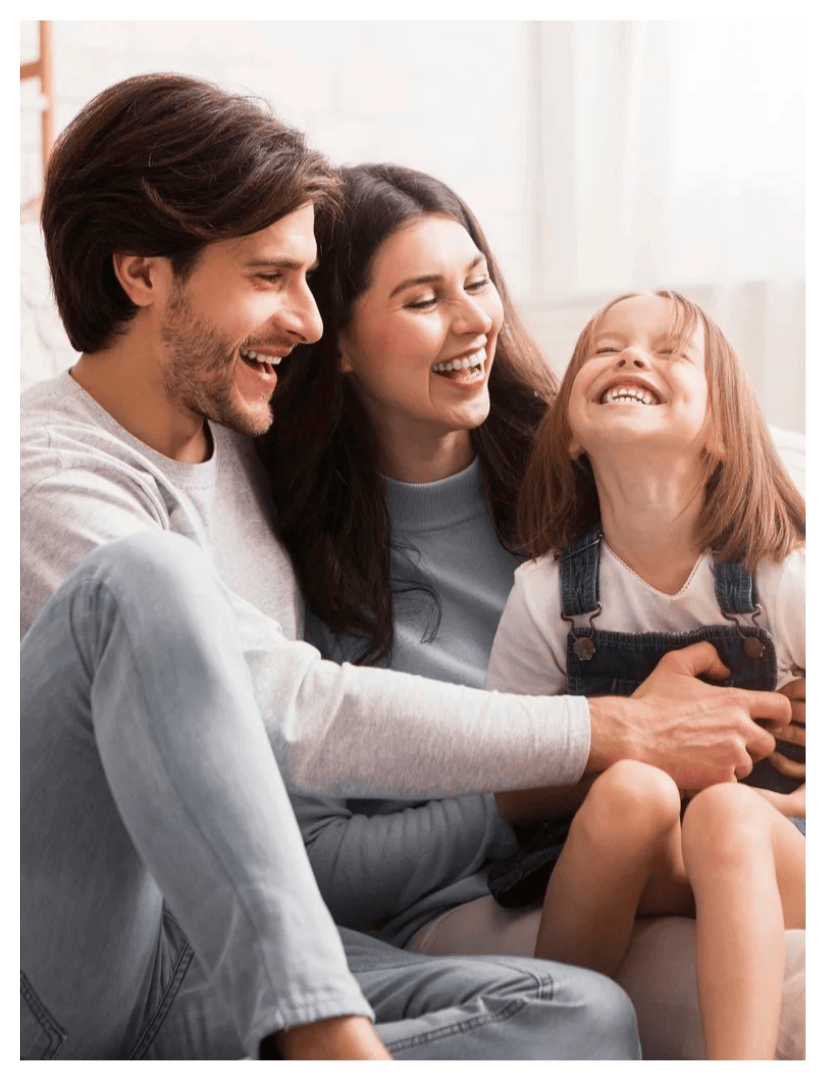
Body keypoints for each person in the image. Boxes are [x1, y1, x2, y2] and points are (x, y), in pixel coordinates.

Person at [20, 75, 787, 1060]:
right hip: (83, 956)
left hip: (216, 967)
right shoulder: (46, 468)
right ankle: (323, 1038)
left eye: (311, 280)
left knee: (584, 1015)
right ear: (141, 275)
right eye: (270, 277)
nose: (307, 322)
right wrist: (612, 731)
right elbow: (285, 706)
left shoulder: (247, 447)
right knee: (152, 579)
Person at [258, 167, 806, 1059]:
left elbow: (750, 474)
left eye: (477, 282)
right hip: (473, 898)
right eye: (423, 299)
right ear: (338, 339)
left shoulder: (581, 470)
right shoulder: (303, 561)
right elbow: (322, 868)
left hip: (696, 839)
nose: (474, 319)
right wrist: (607, 744)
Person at [483, 290, 804, 1058]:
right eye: (606, 348)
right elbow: (507, 786)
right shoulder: (547, 595)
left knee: (724, 813)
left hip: (766, 849)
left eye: (668, 352)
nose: (630, 356)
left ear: (722, 431)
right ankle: (553, 1046)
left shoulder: (778, 578)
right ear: (568, 432)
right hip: (638, 856)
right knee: (632, 789)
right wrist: (631, 748)